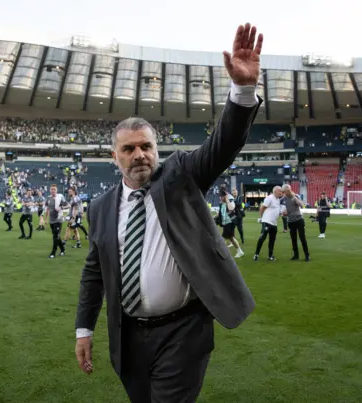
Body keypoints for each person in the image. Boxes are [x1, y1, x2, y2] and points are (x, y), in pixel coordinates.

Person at [75, 23, 263, 403]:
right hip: (129, 336)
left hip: (183, 331)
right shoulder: (100, 208)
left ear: (156, 150)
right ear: (115, 157)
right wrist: (84, 328)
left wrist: (242, 91)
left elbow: (221, 146)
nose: (139, 154)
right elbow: (94, 272)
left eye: (146, 146)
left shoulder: (179, 176)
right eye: (128, 149)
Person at [254, 186, 283, 261]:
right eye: (280, 191)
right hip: (267, 222)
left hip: (274, 223)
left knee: (272, 240)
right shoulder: (269, 198)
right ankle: (256, 254)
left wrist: (281, 213)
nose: (281, 192)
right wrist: (262, 218)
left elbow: (276, 210)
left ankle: (270, 255)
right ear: (275, 191)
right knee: (262, 237)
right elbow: (262, 208)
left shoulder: (278, 200)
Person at [282, 184, 310, 261]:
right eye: (285, 191)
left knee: (302, 238)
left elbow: (301, 205)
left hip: (299, 220)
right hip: (291, 221)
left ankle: (307, 255)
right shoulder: (284, 199)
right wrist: (285, 213)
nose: (286, 192)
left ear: (289, 190)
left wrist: (296, 200)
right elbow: (287, 210)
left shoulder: (295, 197)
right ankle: (296, 255)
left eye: (287, 191)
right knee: (293, 239)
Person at [216, 190, 244, 257]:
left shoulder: (230, 202)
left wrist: (227, 198)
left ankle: (222, 252)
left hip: (230, 222)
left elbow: (231, 208)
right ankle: (239, 251)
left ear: (225, 196)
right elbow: (220, 213)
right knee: (231, 238)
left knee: (222, 238)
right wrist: (214, 217)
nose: (220, 198)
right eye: (220, 196)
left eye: (221, 196)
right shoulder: (221, 204)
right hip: (225, 222)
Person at [44, 184, 67, 258]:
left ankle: (53, 253)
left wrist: (61, 207)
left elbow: (68, 205)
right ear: (50, 190)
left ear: (56, 190)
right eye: (52, 189)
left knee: (55, 236)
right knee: (56, 236)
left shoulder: (60, 196)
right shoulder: (48, 198)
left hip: (58, 219)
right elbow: (47, 209)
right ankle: (63, 250)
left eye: (54, 189)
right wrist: (45, 219)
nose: (53, 191)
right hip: (51, 220)